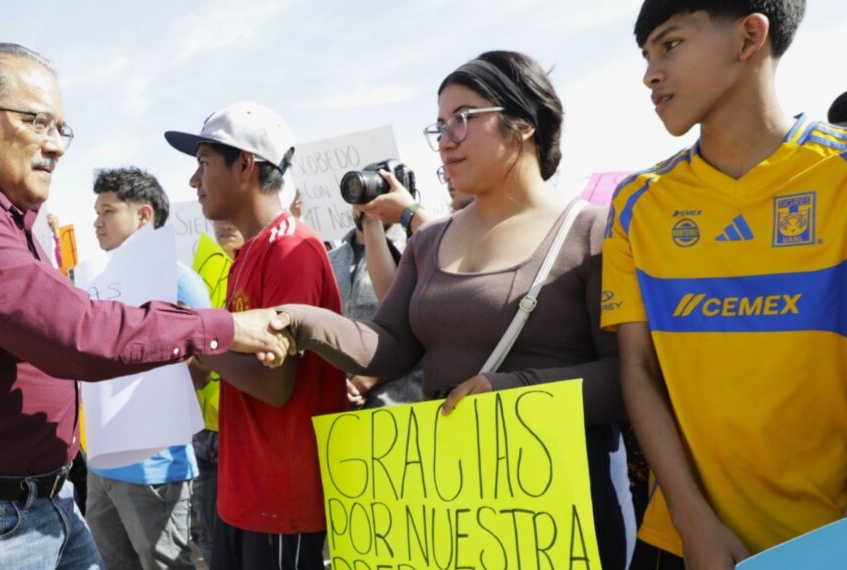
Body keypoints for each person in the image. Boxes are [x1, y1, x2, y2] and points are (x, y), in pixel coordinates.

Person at [0, 43, 291, 570]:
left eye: (60, 129)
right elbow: (74, 333)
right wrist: (226, 327)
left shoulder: (9, 220)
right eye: (38, 122)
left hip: (37, 505)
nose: (56, 146)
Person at [272, 52, 635, 569]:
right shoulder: (429, 242)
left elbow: (628, 377)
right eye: (439, 125)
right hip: (457, 511)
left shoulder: (597, 230)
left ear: (524, 124)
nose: (445, 139)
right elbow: (388, 346)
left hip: (563, 512)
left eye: (463, 119)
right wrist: (298, 320)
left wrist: (508, 392)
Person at [605, 2, 845, 568]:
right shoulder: (638, 203)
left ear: (749, 38)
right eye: (645, 54)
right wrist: (692, 521)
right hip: (679, 542)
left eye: (670, 44)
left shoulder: (837, 176)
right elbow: (637, 369)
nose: (649, 73)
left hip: (827, 541)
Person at [165, 101, 346, 570]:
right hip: (242, 491)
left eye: (203, 164)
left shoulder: (292, 248)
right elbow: (222, 360)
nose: (193, 181)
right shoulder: (248, 253)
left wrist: (200, 335)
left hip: (282, 500)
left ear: (245, 165)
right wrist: (203, 351)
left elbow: (275, 384)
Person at [86, 166, 207, 570]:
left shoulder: (179, 281)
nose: (96, 221)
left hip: (155, 467)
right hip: (102, 462)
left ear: (143, 216)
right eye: (96, 211)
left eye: (108, 211)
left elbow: (207, 359)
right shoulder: (96, 283)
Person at [329, 203, 422, 408]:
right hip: (339, 406)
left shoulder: (415, 248)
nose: (369, 204)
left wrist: (368, 379)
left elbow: (419, 333)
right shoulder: (330, 260)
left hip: (398, 405)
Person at [189, 219, 242, 564]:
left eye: (233, 216)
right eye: (220, 219)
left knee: (245, 533)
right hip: (202, 428)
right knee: (208, 534)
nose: (225, 224)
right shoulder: (197, 270)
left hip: (240, 429)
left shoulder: (261, 266)